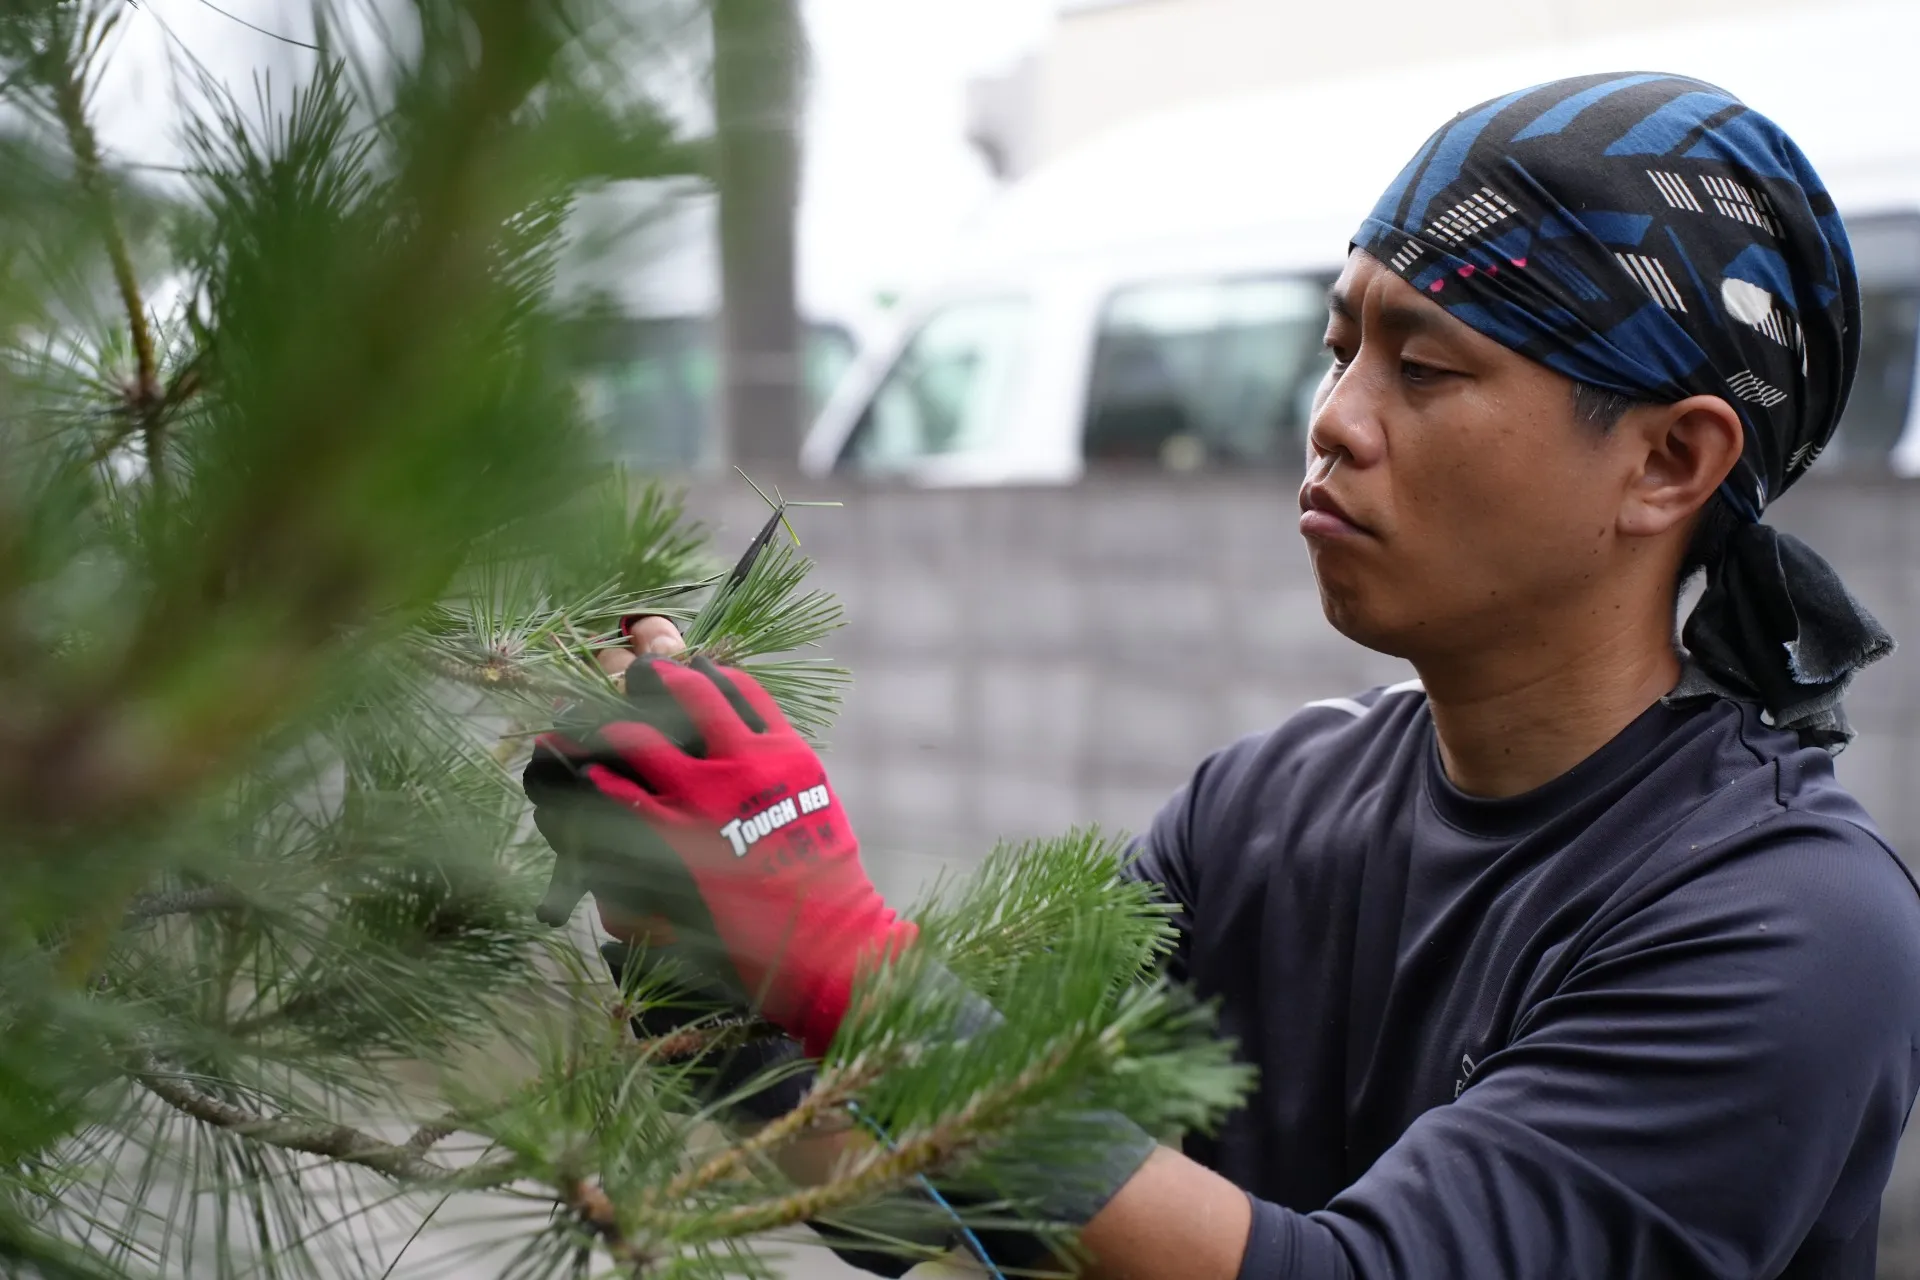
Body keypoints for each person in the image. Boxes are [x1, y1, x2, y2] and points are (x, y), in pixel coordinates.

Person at [533, 73, 1920, 1278]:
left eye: (1424, 368)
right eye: (1342, 348)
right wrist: (690, 952)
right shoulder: (1265, 811)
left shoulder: (1789, 925)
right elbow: (954, 1195)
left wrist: (847, 956)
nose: (1334, 421)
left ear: (1669, 462)